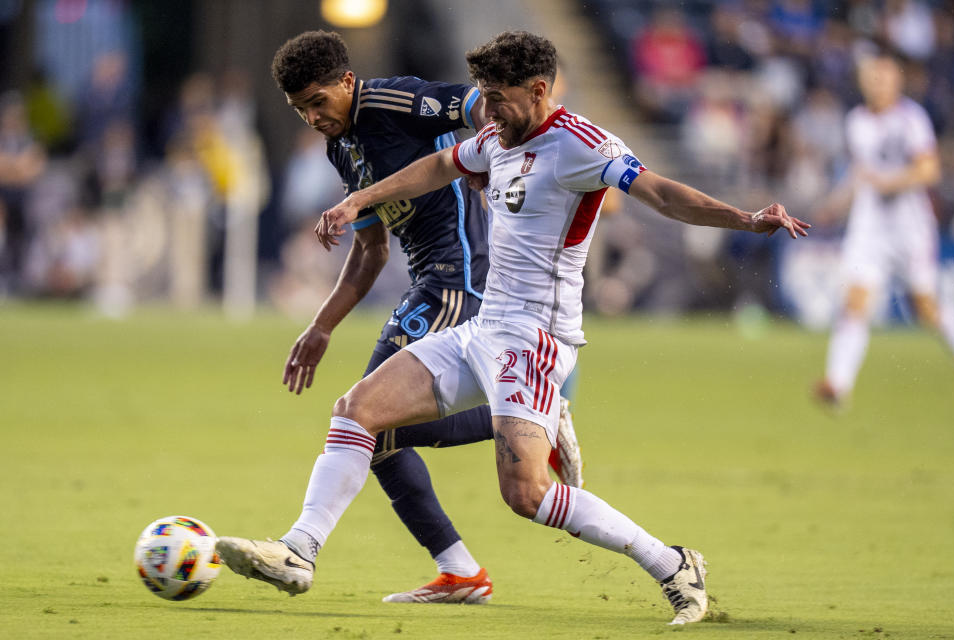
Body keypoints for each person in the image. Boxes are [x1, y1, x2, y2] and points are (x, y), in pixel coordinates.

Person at [217, 31, 809, 625]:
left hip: (535, 340)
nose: (487, 112)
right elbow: (440, 164)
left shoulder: (582, 144)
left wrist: (743, 218)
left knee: (524, 495)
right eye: (483, 97)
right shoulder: (497, 138)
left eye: (497, 99)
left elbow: (660, 192)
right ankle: (300, 550)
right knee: (356, 412)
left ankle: (674, 564)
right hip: (481, 329)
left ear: (539, 90)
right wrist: (355, 202)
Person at [250, 30, 584, 605]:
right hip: (428, 280)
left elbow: (476, 103)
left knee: (361, 417)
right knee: (369, 434)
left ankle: (301, 548)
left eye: (318, 102)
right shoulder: (342, 147)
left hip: (462, 278)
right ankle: (460, 571)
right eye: (299, 108)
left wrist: (488, 156)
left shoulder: (391, 101)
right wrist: (322, 325)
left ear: (347, 83)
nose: (311, 117)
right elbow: (371, 251)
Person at [815, 50, 954, 406]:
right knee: (855, 301)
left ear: (897, 80)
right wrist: (835, 205)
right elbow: (858, 172)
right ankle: (837, 384)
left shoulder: (911, 119)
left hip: (910, 227)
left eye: (884, 76)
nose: (877, 83)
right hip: (869, 227)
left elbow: (929, 171)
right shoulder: (856, 121)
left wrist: (886, 182)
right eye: (872, 77)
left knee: (924, 307)